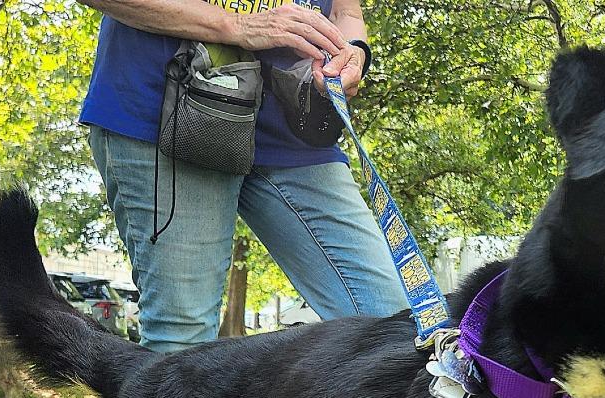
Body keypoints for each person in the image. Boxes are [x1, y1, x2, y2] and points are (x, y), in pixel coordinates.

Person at [79, 0, 407, 353]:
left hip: (295, 129)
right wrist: (236, 25)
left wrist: (354, 53)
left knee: (396, 329)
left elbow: (347, 13)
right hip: (171, 111)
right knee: (181, 344)